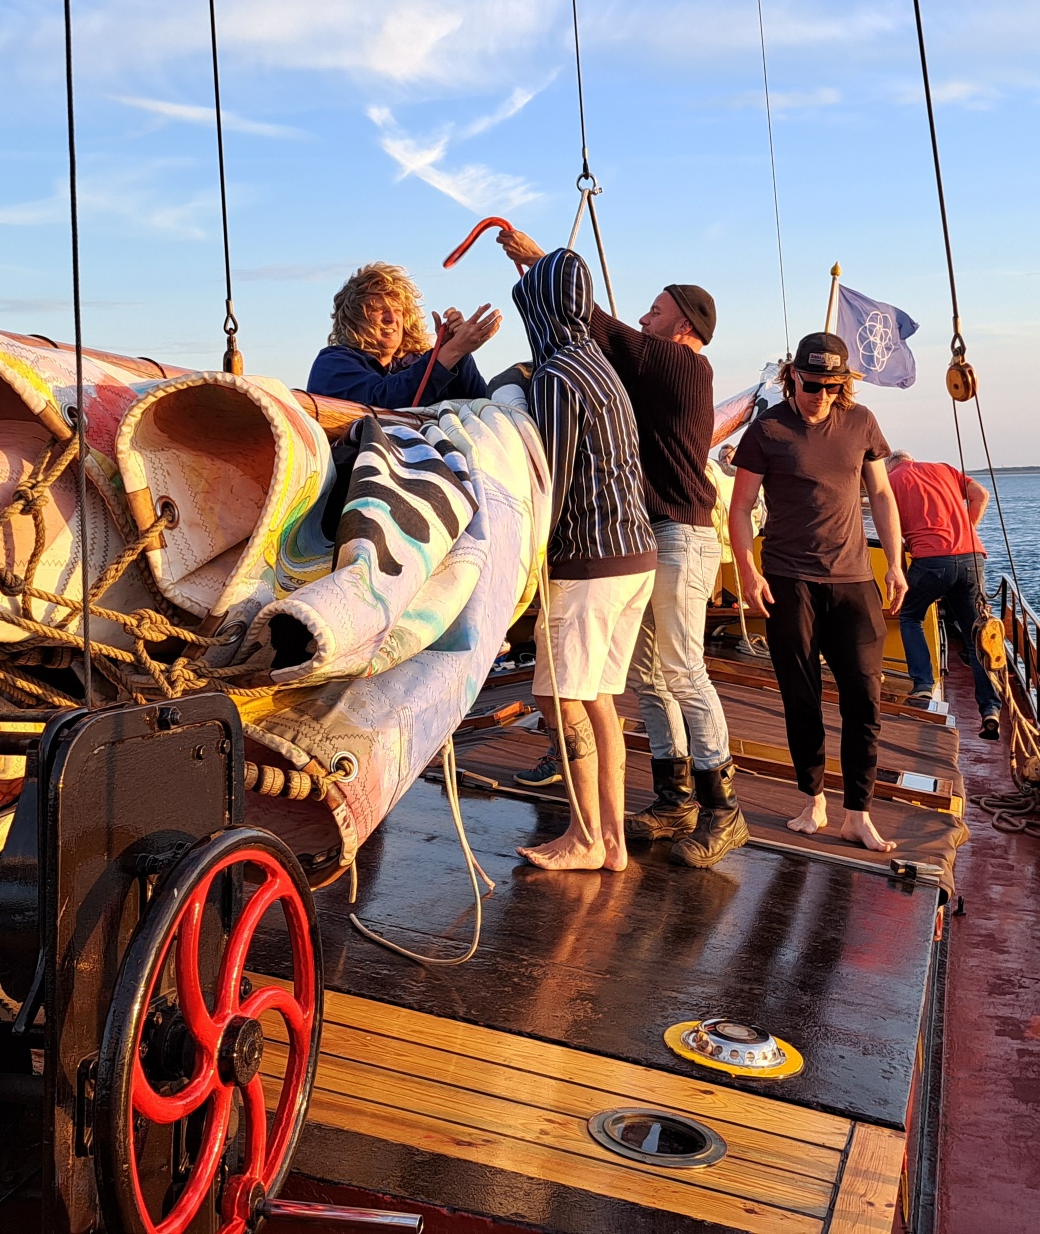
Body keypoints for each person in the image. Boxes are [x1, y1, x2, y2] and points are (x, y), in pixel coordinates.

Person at [496, 229, 742, 867]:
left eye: (655, 311)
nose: (643, 319)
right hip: (644, 539)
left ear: (684, 327)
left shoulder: (683, 365)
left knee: (680, 671)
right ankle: (672, 799)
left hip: (673, 535)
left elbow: (595, 325)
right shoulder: (623, 376)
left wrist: (542, 264)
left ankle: (723, 809)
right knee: (646, 679)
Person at [729, 332, 909, 853]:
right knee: (801, 697)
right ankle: (813, 800)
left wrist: (895, 564)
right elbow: (740, 508)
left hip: (853, 580)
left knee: (864, 699)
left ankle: (858, 814)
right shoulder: (767, 430)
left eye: (832, 387)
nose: (821, 396)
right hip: (789, 580)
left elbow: (881, 494)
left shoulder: (861, 422)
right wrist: (747, 571)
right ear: (793, 378)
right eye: (812, 385)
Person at [510, 247, 658, 873]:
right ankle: (612, 841)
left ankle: (584, 836)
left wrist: (525, 565)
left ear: (540, 311)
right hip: (636, 555)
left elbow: (553, 478)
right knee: (598, 699)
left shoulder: (557, 376)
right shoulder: (600, 365)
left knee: (562, 700)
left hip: (589, 562)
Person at [886, 452, 1003, 739]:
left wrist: (899, 572)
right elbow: (981, 495)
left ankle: (923, 685)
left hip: (930, 561)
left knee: (911, 616)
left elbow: (892, 531)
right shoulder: (943, 469)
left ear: (890, 465)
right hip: (971, 556)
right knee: (975, 634)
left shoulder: (891, 480)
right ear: (911, 459)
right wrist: (968, 529)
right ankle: (990, 708)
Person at [306, 261, 501, 407]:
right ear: (353, 319)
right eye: (379, 309)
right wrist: (452, 351)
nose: (391, 318)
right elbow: (381, 399)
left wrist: (457, 353)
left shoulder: (414, 363)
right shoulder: (331, 365)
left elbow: (479, 401)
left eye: (398, 311)